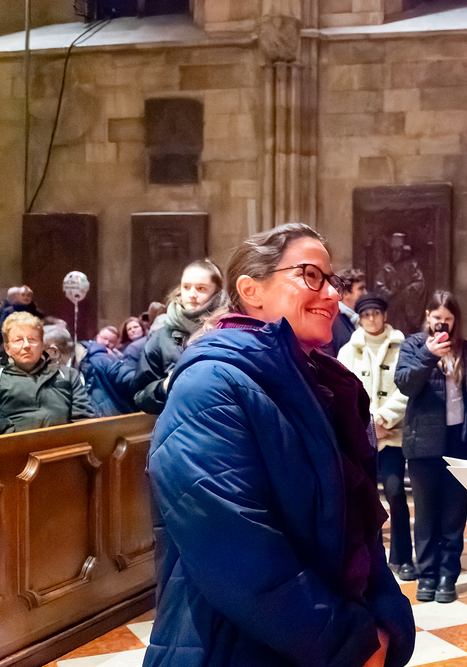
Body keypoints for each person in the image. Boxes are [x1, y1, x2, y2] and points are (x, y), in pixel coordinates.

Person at [143, 223, 415, 667]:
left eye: (332, 280)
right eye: (311, 275)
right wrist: (349, 645)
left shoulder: (319, 383)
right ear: (251, 290)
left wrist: (385, 616)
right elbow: (235, 550)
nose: (332, 294)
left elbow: (356, 524)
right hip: (235, 647)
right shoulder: (208, 385)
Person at [394, 291, 467, 603]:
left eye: (448, 319)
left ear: (455, 320)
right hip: (423, 444)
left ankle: (448, 576)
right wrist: (429, 353)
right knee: (425, 515)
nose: (442, 325)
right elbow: (406, 384)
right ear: (428, 316)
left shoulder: (466, 350)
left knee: (453, 515)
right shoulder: (413, 345)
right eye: (437, 318)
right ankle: (427, 576)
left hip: (458, 441)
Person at [337, 292, 414, 581]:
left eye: (376, 313)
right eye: (366, 315)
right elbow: (342, 389)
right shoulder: (348, 350)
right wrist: (367, 423)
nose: (371, 319)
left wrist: (382, 418)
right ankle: (371, 558)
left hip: (392, 435)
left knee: (395, 492)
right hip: (362, 437)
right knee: (365, 500)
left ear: (384, 315)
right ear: (360, 318)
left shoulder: (402, 347)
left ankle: (402, 557)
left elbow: (406, 389)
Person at [131, 259, 223, 414]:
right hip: (180, 421)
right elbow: (139, 395)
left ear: (216, 292)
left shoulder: (228, 329)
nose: (192, 294)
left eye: (201, 288)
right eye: (186, 287)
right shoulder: (162, 336)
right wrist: (162, 387)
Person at [0, 312, 93, 435]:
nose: (26, 346)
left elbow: (84, 422)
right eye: (18, 340)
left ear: (42, 344)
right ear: (7, 348)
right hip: (14, 446)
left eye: (32, 339)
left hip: (65, 445)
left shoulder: (67, 375)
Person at [79, 326, 135, 417]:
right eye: (104, 338)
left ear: (116, 343)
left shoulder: (119, 356)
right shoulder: (89, 354)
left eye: (111, 341)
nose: (106, 343)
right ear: (97, 336)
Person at [322, 268, 365, 356]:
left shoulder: (353, 319)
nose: (365, 293)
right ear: (345, 293)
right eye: (360, 289)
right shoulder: (333, 320)